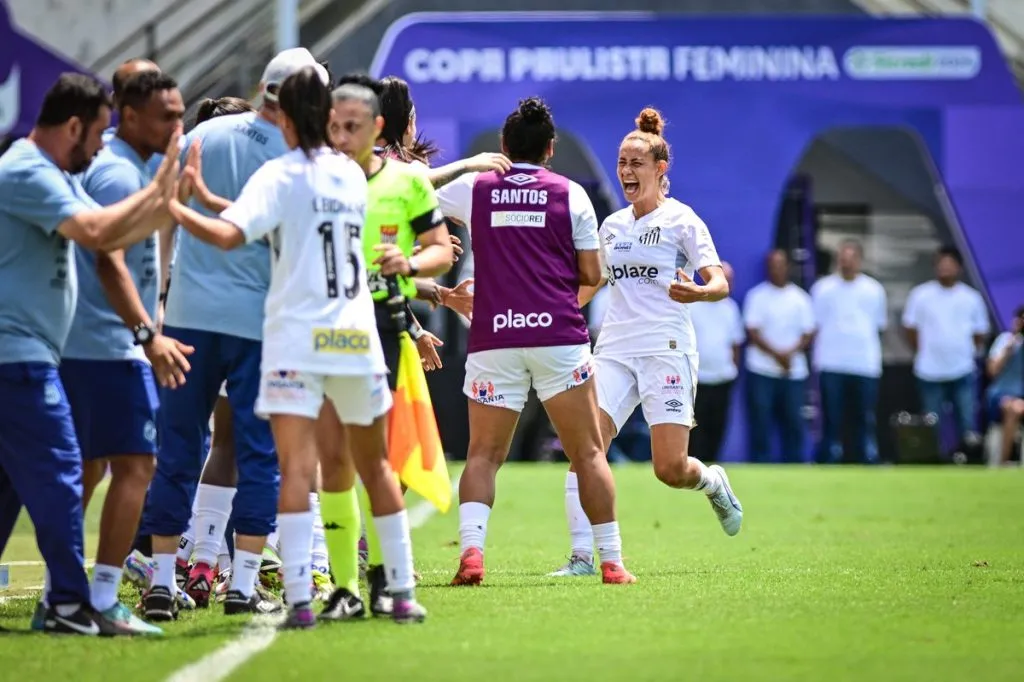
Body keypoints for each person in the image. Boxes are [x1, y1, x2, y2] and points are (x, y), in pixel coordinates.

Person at [168, 65, 427, 629]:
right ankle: (401, 592)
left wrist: (177, 205)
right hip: (355, 335)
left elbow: (232, 233)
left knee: (296, 469)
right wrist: (211, 197)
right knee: (374, 466)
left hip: (298, 339)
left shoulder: (277, 175)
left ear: (282, 113)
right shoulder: (350, 175)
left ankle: (302, 603)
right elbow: (279, 219)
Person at [138, 48, 330, 621]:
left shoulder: (207, 132)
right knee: (258, 453)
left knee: (178, 450)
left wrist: (162, 300)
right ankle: (242, 585)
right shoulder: (300, 156)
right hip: (260, 325)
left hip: (190, 317)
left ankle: (164, 581)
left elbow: (165, 217)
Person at [0, 72, 179, 635]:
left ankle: (74, 600)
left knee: (10, 488)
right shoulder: (26, 171)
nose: (101, 147)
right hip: (19, 355)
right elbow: (99, 235)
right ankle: (71, 603)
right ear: (73, 125)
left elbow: (117, 231)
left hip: (31, 353)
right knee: (62, 473)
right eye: (97, 133)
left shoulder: (54, 172)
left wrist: (170, 197)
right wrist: (161, 189)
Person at [434, 97, 634, 586]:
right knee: (587, 453)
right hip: (557, 335)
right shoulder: (571, 194)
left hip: (493, 336)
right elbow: (593, 273)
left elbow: (411, 185)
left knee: (482, 454)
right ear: (550, 149)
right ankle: (610, 562)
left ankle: (472, 557)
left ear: (503, 146)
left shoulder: (475, 187)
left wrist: (464, 167)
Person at [553, 107, 743, 577]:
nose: (626, 172)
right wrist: (551, 309)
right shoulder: (612, 226)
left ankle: (714, 483)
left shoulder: (683, 220)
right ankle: (580, 557)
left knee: (670, 469)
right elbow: (590, 284)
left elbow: (718, 281)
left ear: (660, 169)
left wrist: (700, 292)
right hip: (615, 349)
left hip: (667, 350)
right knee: (585, 447)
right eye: (621, 162)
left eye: (636, 163)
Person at [56, 70, 187, 636]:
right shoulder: (114, 174)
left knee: (86, 470)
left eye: (181, 115)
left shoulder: (126, 166)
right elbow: (108, 259)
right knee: (137, 465)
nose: (177, 127)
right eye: (167, 116)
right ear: (129, 116)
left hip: (94, 342)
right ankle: (102, 598)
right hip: (108, 344)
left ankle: (65, 596)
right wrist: (146, 334)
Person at [318, 75, 453, 618]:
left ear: (377, 127)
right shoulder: (312, 181)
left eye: (352, 125)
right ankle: (344, 587)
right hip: (321, 332)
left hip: (381, 328)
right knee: (330, 462)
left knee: (381, 459)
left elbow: (440, 248)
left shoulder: (407, 183)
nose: (342, 135)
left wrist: (412, 267)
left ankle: (392, 584)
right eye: (334, 126)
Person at [902, 246, 990, 455]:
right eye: (941, 264)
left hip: (962, 369)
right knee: (931, 421)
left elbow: (979, 334)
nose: (945, 268)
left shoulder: (971, 298)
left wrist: (963, 352)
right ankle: (934, 459)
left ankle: (967, 459)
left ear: (959, 267)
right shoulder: (920, 295)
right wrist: (925, 351)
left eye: (949, 264)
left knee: (966, 419)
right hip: (929, 370)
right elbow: (910, 328)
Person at [810, 240, 887, 464]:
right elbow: (814, 326)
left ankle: (867, 458)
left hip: (865, 365)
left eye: (851, 258)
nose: (846, 262)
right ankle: (830, 459)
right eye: (842, 258)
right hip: (831, 363)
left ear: (860, 260)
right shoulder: (822, 288)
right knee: (831, 418)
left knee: (864, 418)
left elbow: (879, 327)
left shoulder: (874, 290)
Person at [743, 249, 815, 463]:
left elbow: (808, 332)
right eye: (772, 265)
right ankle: (760, 463)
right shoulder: (757, 296)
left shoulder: (800, 298)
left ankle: (795, 463)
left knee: (794, 421)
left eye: (780, 264)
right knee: (761, 421)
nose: (777, 269)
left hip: (794, 372)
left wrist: (789, 355)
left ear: (788, 267)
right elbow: (753, 331)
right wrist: (778, 355)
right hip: (761, 369)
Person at [689, 261, 744, 462]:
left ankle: (713, 465)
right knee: (695, 426)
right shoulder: (692, 305)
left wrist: (733, 369)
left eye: (730, 281)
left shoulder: (731, 308)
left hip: (723, 376)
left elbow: (735, 343)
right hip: (697, 377)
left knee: (718, 424)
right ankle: (694, 465)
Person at [984, 306, 1024, 464]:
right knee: (1013, 407)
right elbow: (992, 370)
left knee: (1017, 406)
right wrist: (1012, 343)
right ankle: (1003, 461)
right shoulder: (1005, 340)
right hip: (1002, 394)